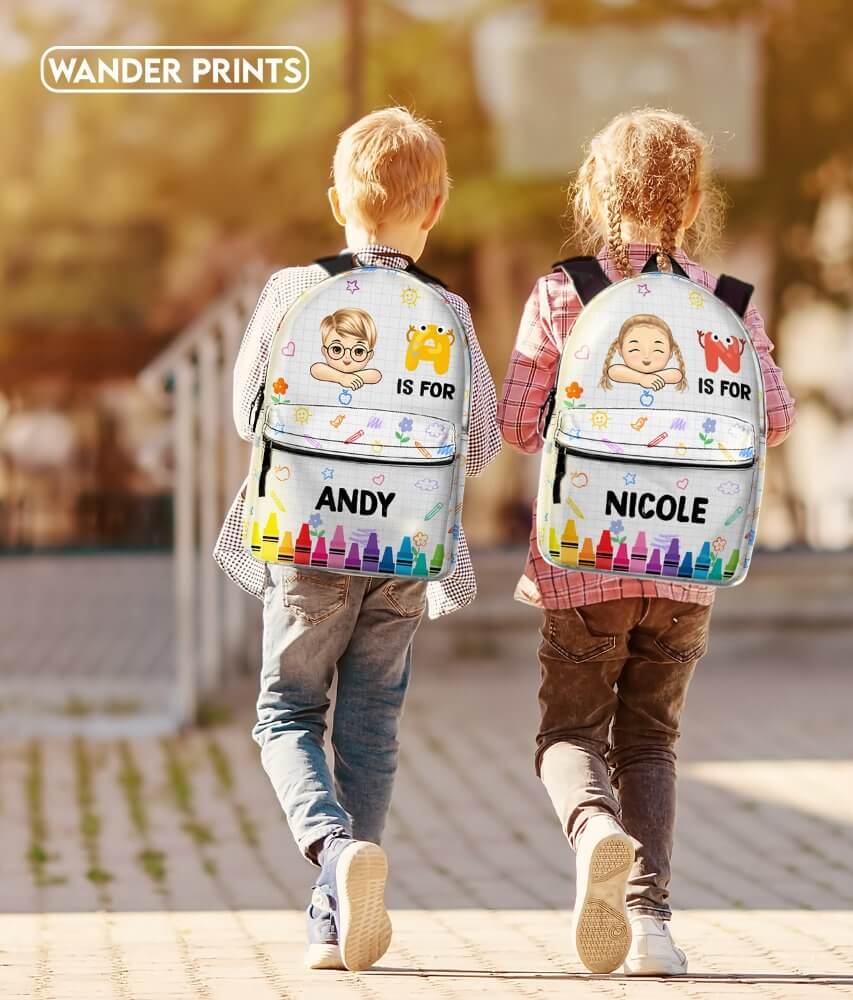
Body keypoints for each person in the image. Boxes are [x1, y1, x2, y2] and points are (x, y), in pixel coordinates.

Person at [497, 108, 796, 977]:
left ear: (594, 192)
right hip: (688, 563)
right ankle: (653, 925)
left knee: (569, 736)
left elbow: (520, 424)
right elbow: (774, 419)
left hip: (583, 559)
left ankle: (595, 831)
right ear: (694, 198)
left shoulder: (564, 293)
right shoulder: (725, 305)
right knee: (651, 743)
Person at [214, 106, 501, 972]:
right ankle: (337, 906)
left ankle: (334, 857)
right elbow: (481, 440)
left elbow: (245, 414)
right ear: (437, 205)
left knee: (286, 713)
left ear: (337, 197)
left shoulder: (293, 292)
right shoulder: (445, 309)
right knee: (372, 725)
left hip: (307, 541)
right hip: (405, 549)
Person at [310, 307, 383, 388]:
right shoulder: (322, 370)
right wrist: (341, 378)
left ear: (370, 355)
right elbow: (316, 369)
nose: (347, 358)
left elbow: (376, 375)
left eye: (358, 351)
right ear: (324, 351)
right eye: (337, 349)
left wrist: (348, 377)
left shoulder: (370, 374)